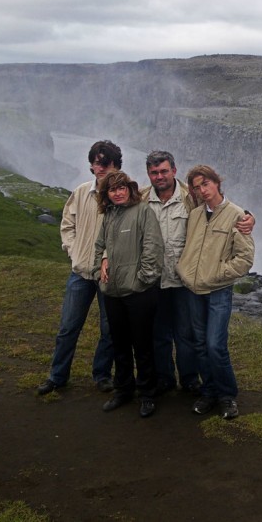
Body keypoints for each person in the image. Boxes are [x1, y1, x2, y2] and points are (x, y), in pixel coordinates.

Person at [141, 151, 255, 396]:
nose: (159, 176)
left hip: (188, 283)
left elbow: (223, 211)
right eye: (154, 172)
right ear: (149, 174)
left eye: (164, 171)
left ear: (173, 170)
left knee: (189, 336)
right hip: (158, 280)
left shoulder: (187, 198)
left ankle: (192, 381)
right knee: (162, 334)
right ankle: (167, 380)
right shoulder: (143, 199)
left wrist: (248, 217)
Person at [37, 141, 120, 395]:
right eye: (97, 162)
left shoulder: (124, 195)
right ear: (92, 166)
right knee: (68, 327)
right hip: (81, 272)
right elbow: (67, 224)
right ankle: (57, 376)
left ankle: (102, 375)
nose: (101, 167)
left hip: (110, 275)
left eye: (106, 162)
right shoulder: (82, 192)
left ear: (116, 165)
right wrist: (73, 252)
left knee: (110, 329)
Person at [176, 165, 254, 418]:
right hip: (194, 289)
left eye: (206, 184)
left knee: (215, 345)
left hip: (218, 290)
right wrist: (185, 270)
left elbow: (244, 259)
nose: (202, 190)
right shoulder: (196, 214)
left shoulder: (236, 215)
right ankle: (209, 392)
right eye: (197, 187)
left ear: (217, 183)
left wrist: (219, 273)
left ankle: (227, 396)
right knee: (200, 344)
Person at [93, 171, 164, 418]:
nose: (118, 193)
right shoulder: (108, 215)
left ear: (130, 189)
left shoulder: (143, 211)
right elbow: (99, 246)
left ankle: (147, 393)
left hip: (139, 293)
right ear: (107, 195)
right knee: (119, 344)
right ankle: (123, 389)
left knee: (142, 345)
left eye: (122, 188)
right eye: (113, 190)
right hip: (112, 292)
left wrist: (142, 280)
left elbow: (153, 247)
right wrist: (97, 271)